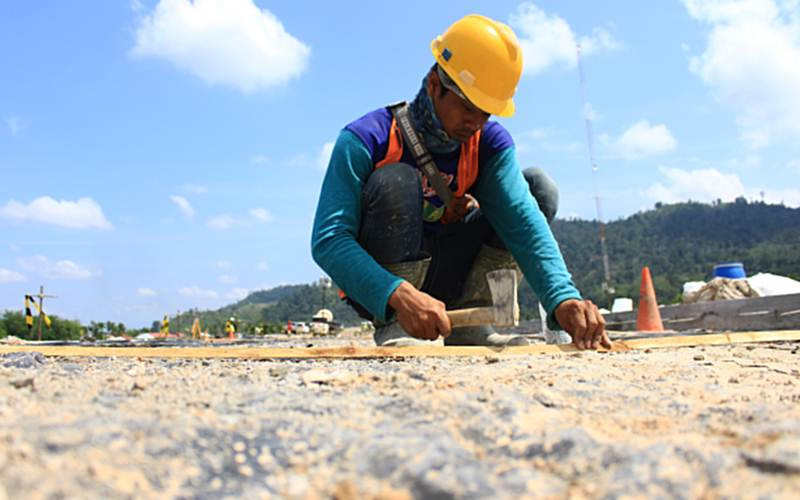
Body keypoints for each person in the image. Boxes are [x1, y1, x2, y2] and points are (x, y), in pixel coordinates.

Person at [311, 14, 610, 350]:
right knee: (396, 179)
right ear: (434, 84)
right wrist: (397, 293)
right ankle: (397, 325)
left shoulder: (487, 144)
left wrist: (563, 299)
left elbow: (523, 222)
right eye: (468, 107)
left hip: (448, 272)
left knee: (539, 189)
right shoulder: (367, 138)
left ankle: (473, 321)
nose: (476, 123)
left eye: (486, 112)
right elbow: (329, 239)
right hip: (385, 285)